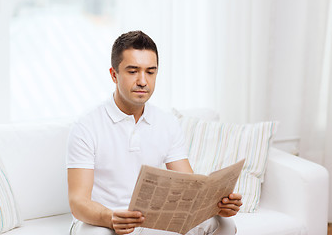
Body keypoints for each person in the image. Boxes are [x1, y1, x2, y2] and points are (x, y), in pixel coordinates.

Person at [66, 30, 242, 235]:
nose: (143, 81)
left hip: (149, 219)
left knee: (224, 223)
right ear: (114, 75)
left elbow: (191, 188)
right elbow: (78, 202)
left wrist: (218, 204)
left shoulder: (167, 122)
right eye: (133, 71)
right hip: (101, 221)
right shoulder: (86, 126)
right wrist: (111, 217)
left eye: (150, 72)